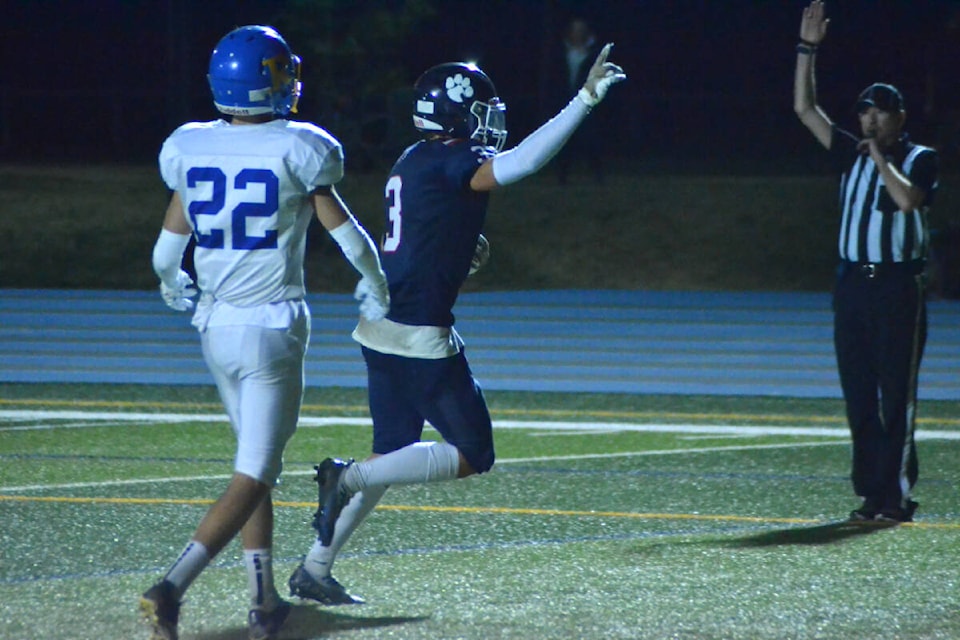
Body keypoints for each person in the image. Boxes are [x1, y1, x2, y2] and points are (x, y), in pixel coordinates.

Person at [285, 45, 625, 602]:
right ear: (456, 113)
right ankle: (342, 479)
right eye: (481, 109)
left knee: (393, 452)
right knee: (473, 454)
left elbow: (423, 227)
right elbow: (524, 162)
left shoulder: (414, 159)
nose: (489, 120)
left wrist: (460, 244)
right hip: (418, 334)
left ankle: (315, 568)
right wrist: (583, 100)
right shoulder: (451, 161)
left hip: (380, 328)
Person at [139, 25, 389, 640]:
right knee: (255, 471)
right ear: (271, 81)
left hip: (215, 326)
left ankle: (263, 602)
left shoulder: (191, 145)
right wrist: (376, 281)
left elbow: (168, 246)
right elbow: (346, 231)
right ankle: (170, 587)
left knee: (257, 464)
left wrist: (171, 282)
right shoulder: (299, 146)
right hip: (271, 324)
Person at [793, 1, 938, 523]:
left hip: (898, 287)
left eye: (878, 110)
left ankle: (898, 497)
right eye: (864, 111)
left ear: (899, 117)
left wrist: (879, 156)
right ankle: (871, 492)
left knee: (895, 394)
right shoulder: (850, 152)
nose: (868, 118)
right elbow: (805, 110)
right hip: (853, 285)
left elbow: (907, 202)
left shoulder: (919, 157)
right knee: (858, 393)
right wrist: (807, 50)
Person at [553, 18, 605, 184]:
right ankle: (562, 177)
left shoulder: (594, 53)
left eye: (581, 30)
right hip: (566, 103)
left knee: (591, 140)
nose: (578, 33)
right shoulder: (561, 52)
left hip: (588, 103)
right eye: (575, 30)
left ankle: (597, 175)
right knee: (565, 141)